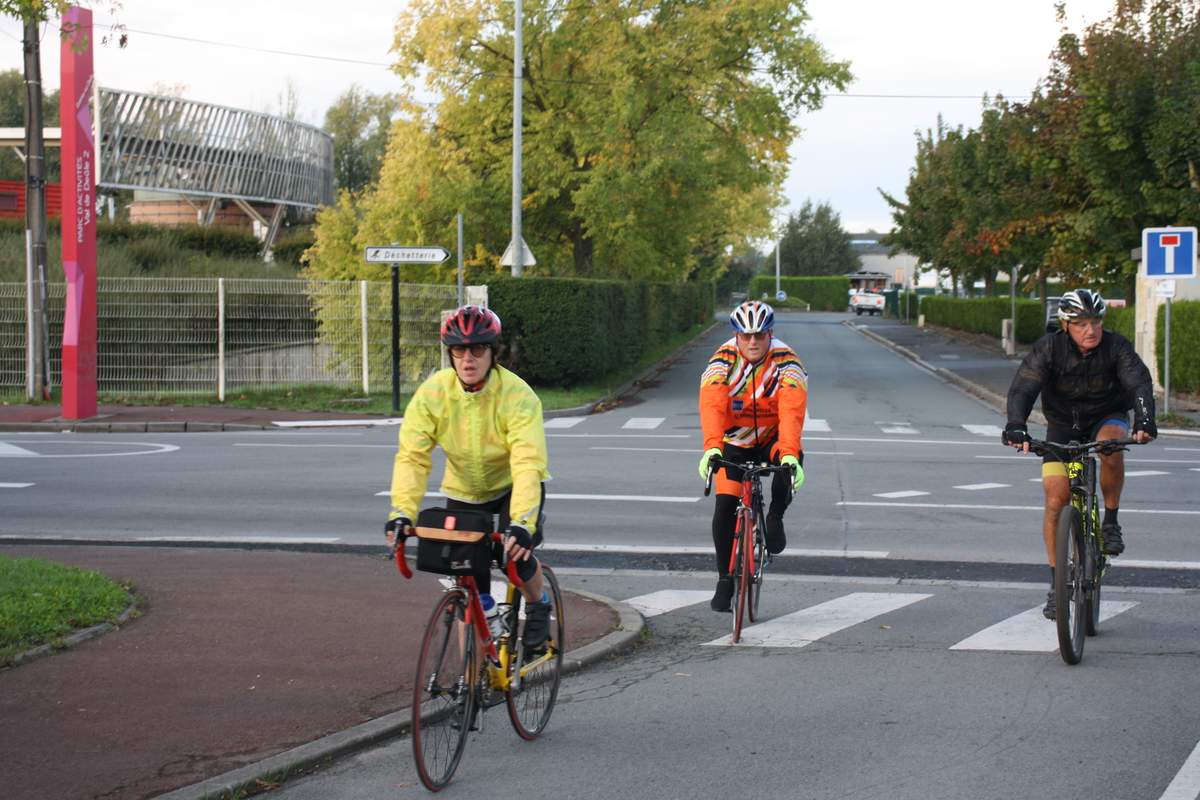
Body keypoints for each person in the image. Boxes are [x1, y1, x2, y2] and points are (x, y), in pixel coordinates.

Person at [385, 305, 554, 649]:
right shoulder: (433, 394)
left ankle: (539, 604)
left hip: (512, 487)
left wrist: (522, 522)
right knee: (466, 579)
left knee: (515, 561)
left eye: (477, 349)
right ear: (450, 355)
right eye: (459, 350)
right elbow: (412, 458)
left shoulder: (518, 396)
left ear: (493, 353)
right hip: (464, 490)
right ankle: (471, 687)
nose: (468, 359)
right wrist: (402, 512)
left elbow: (527, 463)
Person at [1002, 289, 1156, 619]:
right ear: (1066, 325)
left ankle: (1110, 522)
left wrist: (1145, 419)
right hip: (1062, 426)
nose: (1091, 330)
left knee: (1110, 446)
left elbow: (1138, 383)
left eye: (1096, 321)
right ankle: (1058, 583)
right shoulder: (1049, 348)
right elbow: (1024, 386)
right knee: (1056, 498)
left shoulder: (1116, 346)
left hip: (1107, 416)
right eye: (1081, 323)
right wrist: (1016, 425)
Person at [698, 300, 808, 612]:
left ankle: (775, 517)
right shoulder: (721, 362)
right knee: (724, 507)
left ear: (770, 333)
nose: (752, 342)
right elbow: (712, 403)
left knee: (791, 460)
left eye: (759, 335)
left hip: (772, 438)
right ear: (736, 336)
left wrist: (788, 455)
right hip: (734, 441)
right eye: (745, 336)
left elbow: (792, 411)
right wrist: (712, 447)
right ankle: (724, 579)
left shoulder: (788, 363)